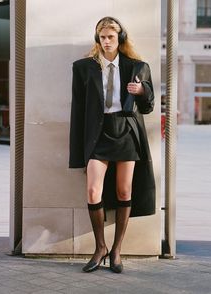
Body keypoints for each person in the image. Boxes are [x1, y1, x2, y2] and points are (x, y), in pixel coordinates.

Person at [69, 16, 156, 273]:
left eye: (111, 37)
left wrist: (141, 92)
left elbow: (149, 106)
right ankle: (100, 247)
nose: (106, 42)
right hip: (98, 133)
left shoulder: (137, 66)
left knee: (123, 192)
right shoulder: (83, 68)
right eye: (102, 37)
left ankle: (117, 250)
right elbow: (78, 111)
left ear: (120, 39)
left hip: (126, 132)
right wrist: (77, 152)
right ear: (97, 39)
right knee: (93, 192)